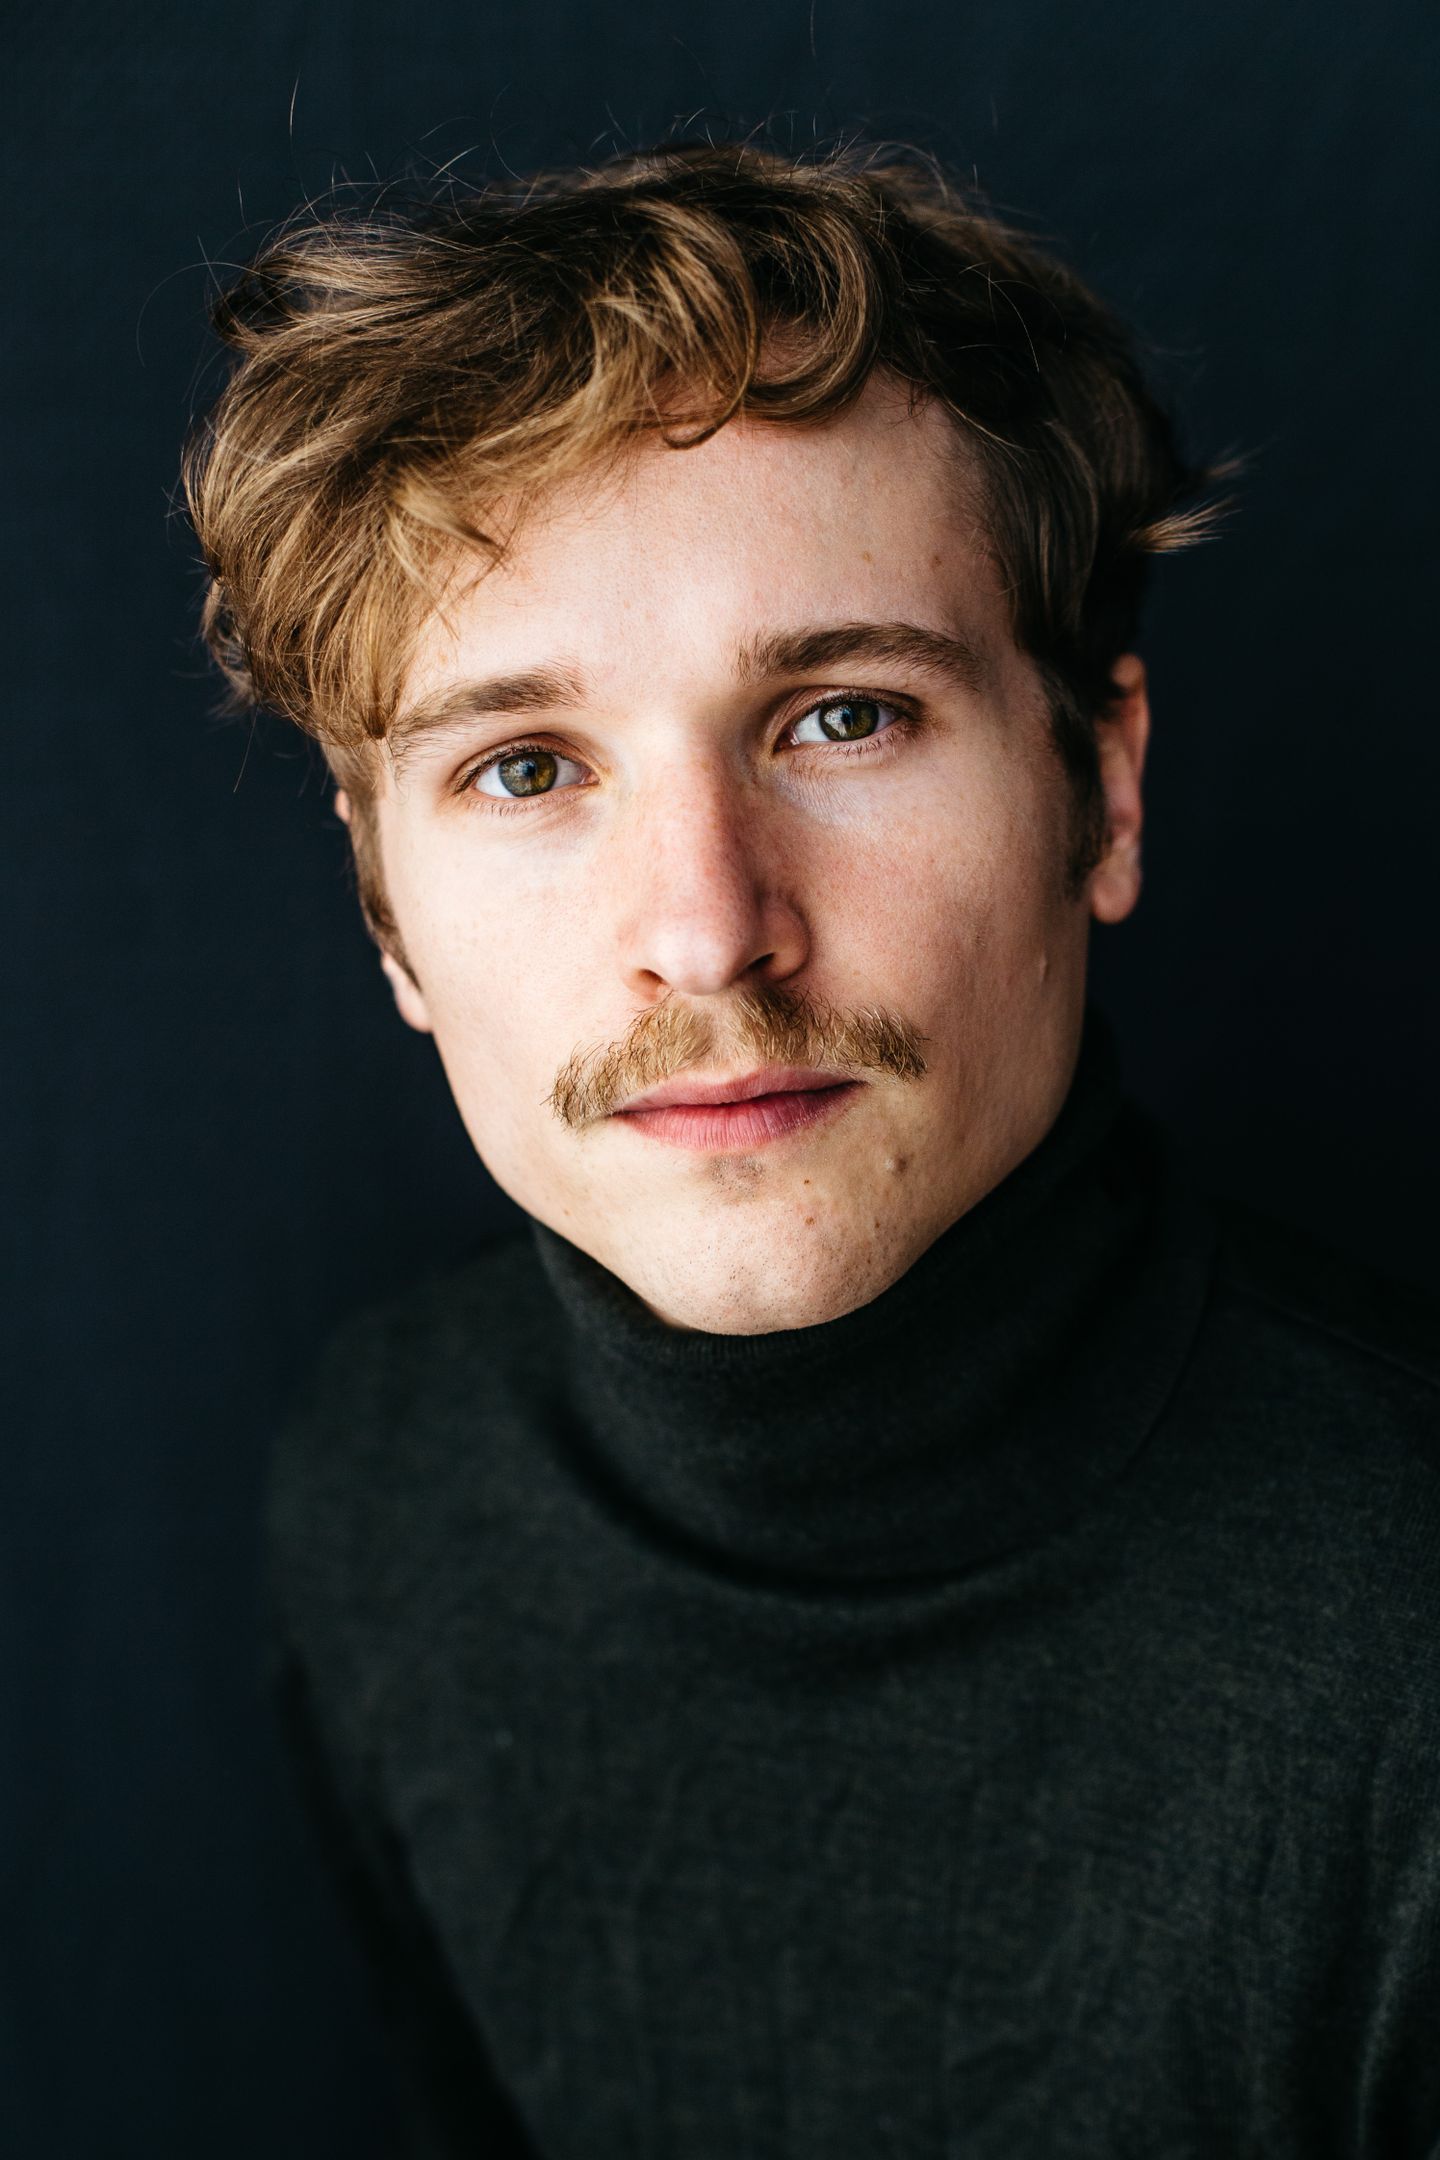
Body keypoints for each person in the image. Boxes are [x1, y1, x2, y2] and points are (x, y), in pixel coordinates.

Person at [185, 141, 1440, 2157]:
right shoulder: (380, 1486)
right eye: (527, 765)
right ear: (385, 913)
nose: (709, 931)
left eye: (843, 718)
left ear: (1102, 792)